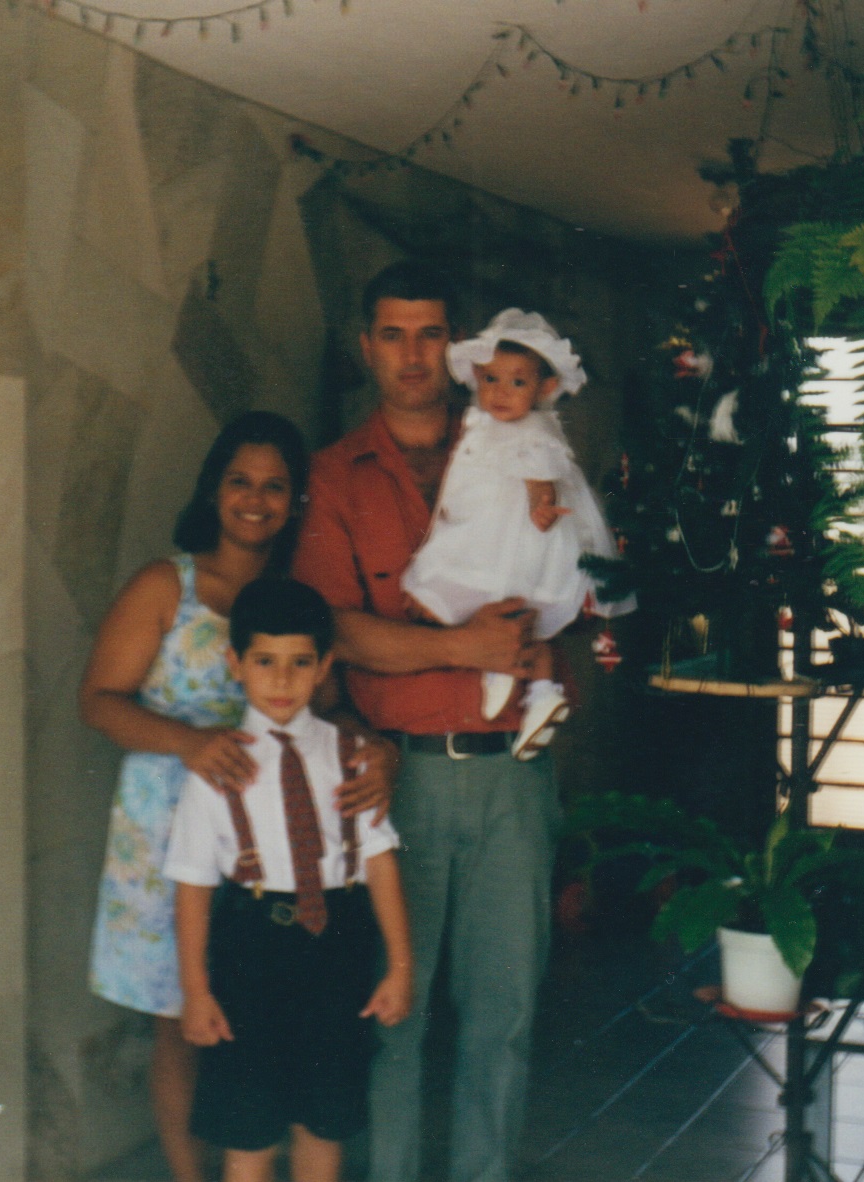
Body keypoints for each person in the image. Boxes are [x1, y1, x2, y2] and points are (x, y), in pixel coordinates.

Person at [293, 260, 559, 1182]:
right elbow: (337, 630)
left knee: (504, 1018)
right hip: (395, 779)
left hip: (513, 776)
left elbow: (574, 598)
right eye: (395, 334)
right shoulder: (332, 477)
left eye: (432, 333)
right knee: (389, 1016)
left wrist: (542, 661)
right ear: (365, 345)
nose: (414, 354)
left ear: (460, 348)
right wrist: (465, 650)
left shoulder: (520, 450)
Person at [82, 412, 393, 1182]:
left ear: (295, 503)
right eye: (240, 482)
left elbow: (334, 706)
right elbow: (99, 700)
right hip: (170, 830)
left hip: (281, 843)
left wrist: (376, 749)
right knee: (185, 1021)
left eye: (275, 486)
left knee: (266, 1017)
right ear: (213, 490)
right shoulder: (167, 584)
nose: (255, 500)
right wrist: (190, 742)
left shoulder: (297, 600)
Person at [164, 577, 413, 1182]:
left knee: (322, 1122)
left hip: (338, 947)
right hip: (252, 947)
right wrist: (196, 990)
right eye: (265, 662)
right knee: (249, 1129)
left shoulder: (351, 754)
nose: (282, 680)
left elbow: (380, 862)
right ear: (236, 664)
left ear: (324, 666)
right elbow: (193, 886)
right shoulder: (217, 767)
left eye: (300, 663)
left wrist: (399, 967)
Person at [400, 307, 628, 759]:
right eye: (491, 380)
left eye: (517, 383)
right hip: (485, 524)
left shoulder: (532, 431)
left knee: (491, 596)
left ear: (544, 389)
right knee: (511, 615)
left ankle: (509, 674)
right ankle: (542, 692)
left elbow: (540, 478)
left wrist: (542, 511)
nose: (501, 393)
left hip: (513, 534)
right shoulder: (484, 423)